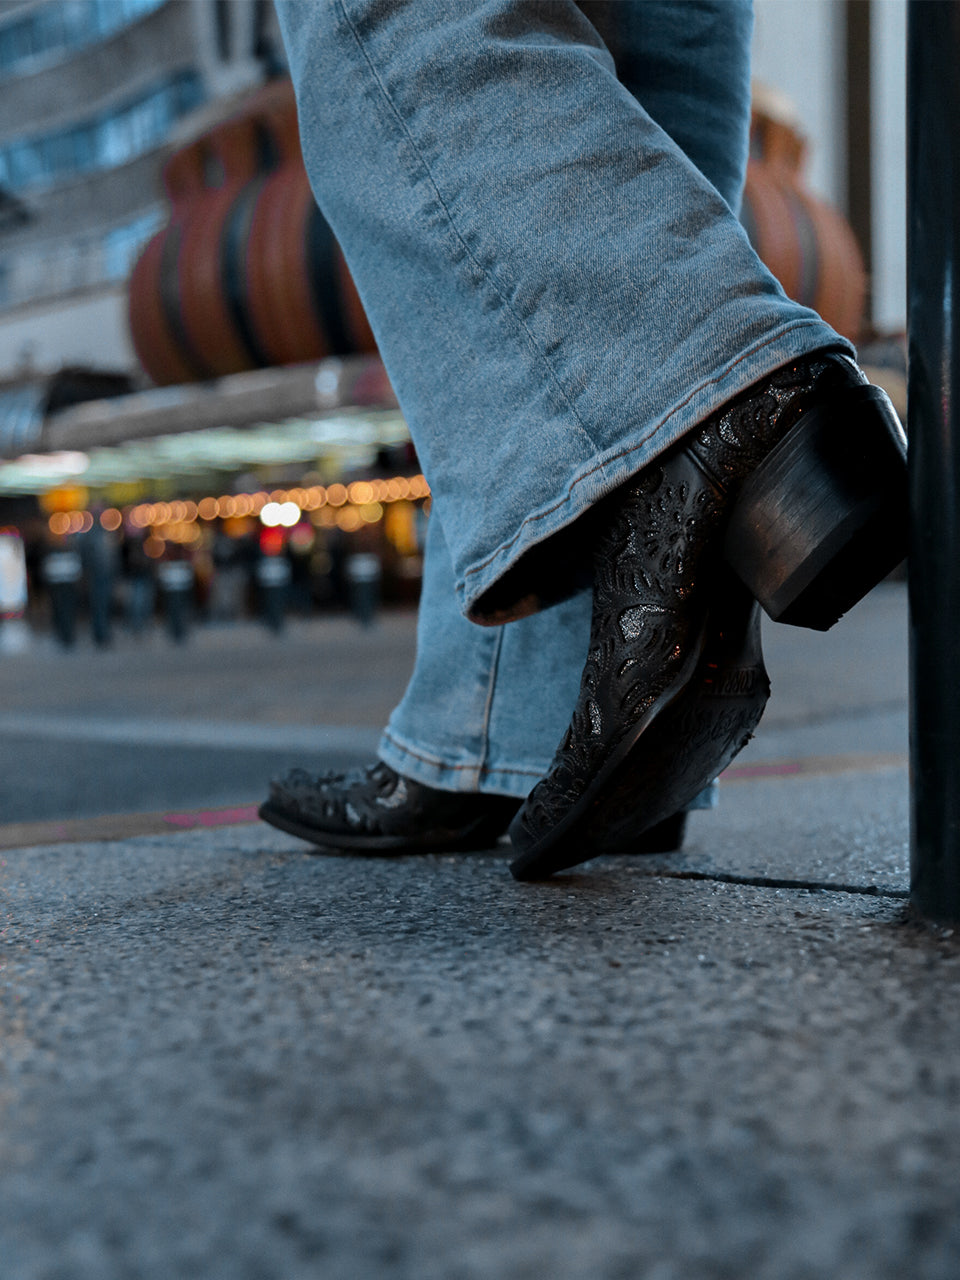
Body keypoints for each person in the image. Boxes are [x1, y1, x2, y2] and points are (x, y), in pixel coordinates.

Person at [259, 0, 906, 880]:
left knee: (375, 21)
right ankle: (513, 732)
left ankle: (724, 393)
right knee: (652, 39)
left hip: (725, 372)